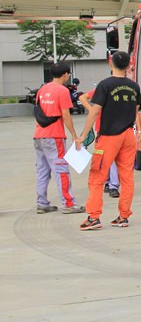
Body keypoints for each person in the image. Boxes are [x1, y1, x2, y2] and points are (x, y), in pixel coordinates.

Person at [74, 51, 141, 230]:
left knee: (97, 176)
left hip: (109, 136)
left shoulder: (105, 85)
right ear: (129, 66)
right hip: (128, 135)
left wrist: (83, 135)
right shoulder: (134, 86)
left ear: (110, 63)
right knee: (126, 177)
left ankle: (94, 217)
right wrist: (139, 129)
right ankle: (124, 215)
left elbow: (95, 111)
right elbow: (136, 110)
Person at [32, 62, 85, 214]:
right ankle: (68, 203)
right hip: (54, 136)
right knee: (61, 169)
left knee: (42, 170)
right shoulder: (62, 91)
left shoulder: (42, 90)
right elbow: (66, 115)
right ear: (65, 75)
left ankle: (42, 203)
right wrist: (74, 135)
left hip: (39, 135)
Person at [79, 87, 120, 199]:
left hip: (111, 129)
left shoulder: (108, 89)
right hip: (105, 129)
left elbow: (82, 98)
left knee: (107, 157)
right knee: (107, 157)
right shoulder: (105, 88)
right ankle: (112, 185)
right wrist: (93, 111)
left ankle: (110, 184)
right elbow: (82, 97)